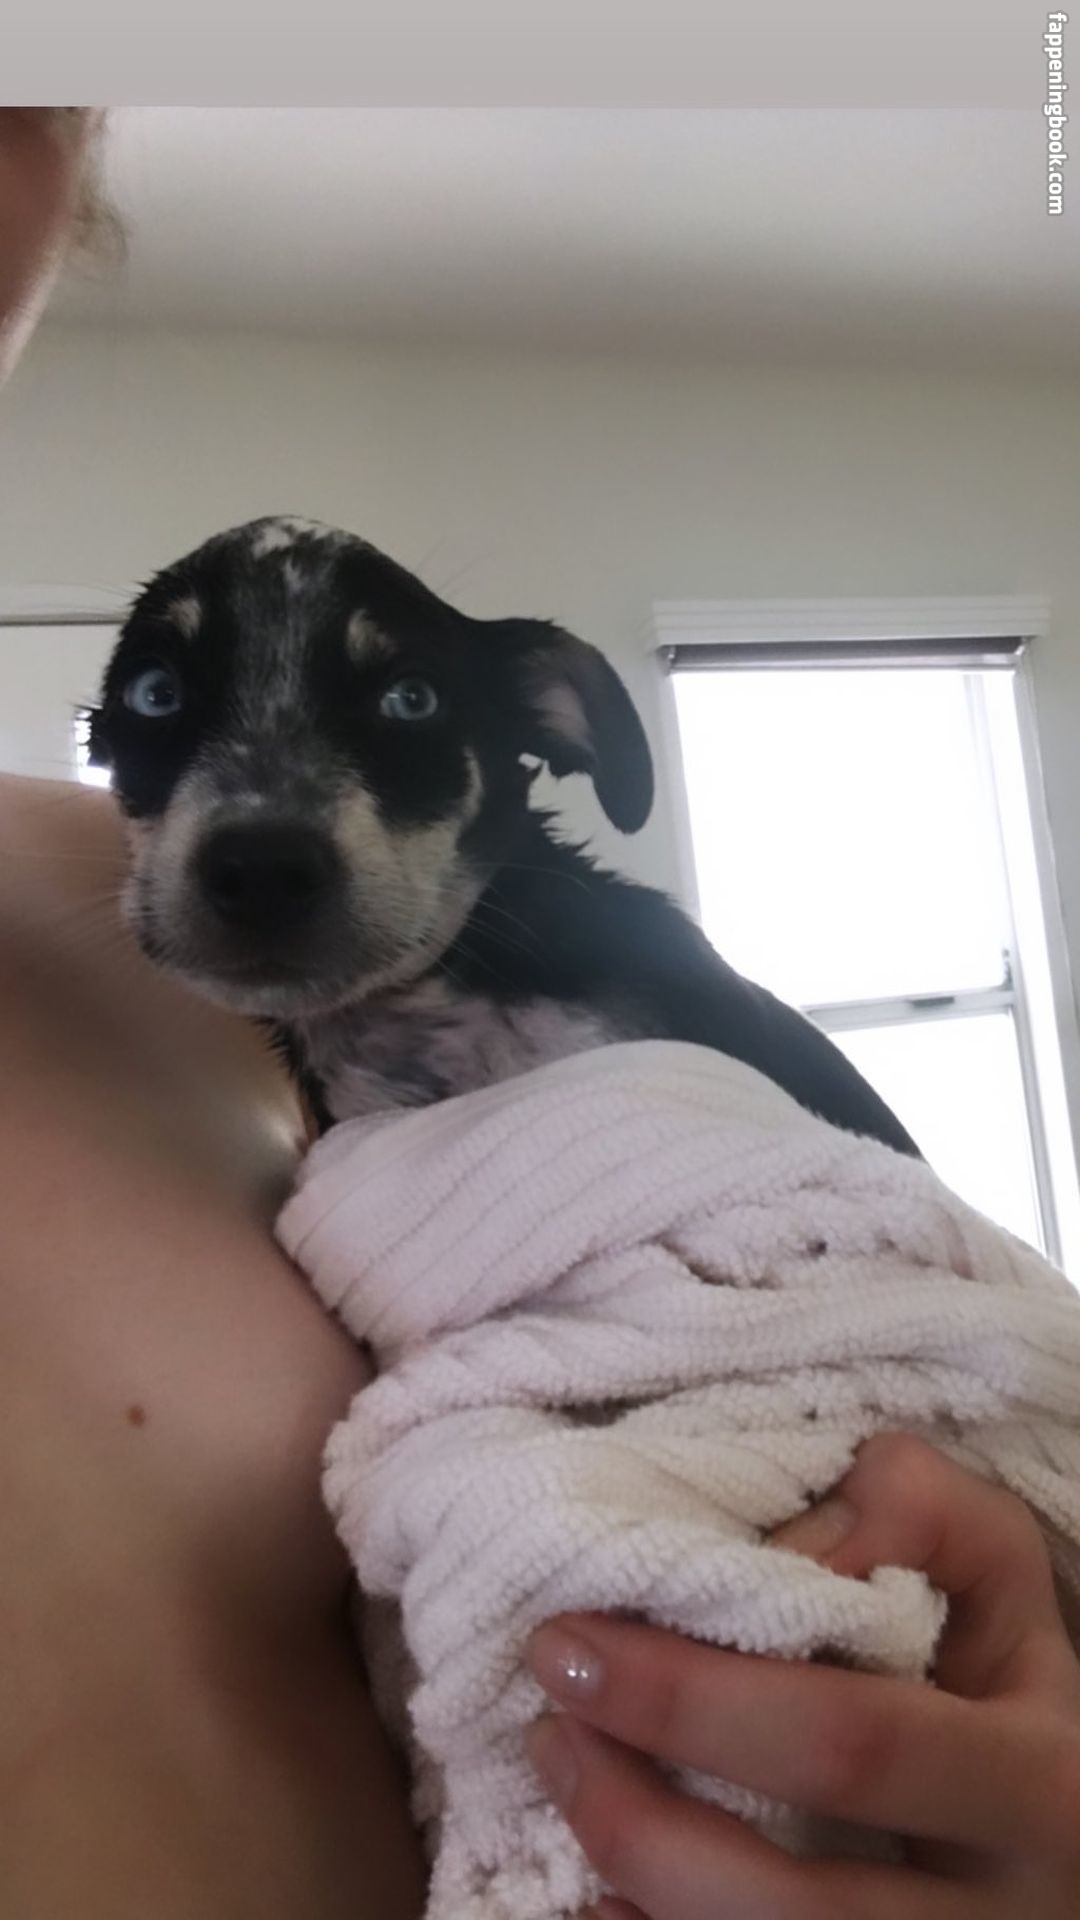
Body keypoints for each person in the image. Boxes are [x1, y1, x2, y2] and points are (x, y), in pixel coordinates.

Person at [1, 108, 1077, 1920]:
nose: (260, 830)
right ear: (115, 750)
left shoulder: (631, 1039)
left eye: (405, 708)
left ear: (548, 734)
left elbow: (900, 1303)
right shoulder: (170, 993)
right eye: (169, 704)